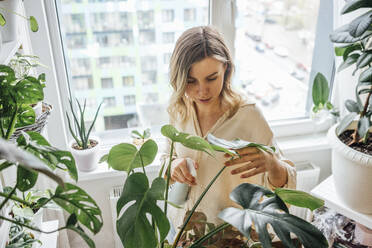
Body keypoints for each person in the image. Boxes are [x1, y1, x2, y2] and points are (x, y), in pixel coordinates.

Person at [162, 25, 296, 232]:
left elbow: (286, 188)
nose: (202, 91)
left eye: (211, 78)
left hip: (232, 234)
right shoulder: (179, 111)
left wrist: (272, 164)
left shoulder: (248, 116)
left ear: (226, 68)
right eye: (190, 81)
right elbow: (166, 159)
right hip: (185, 231)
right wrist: (173, 165)